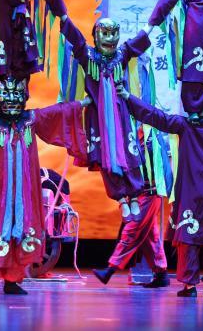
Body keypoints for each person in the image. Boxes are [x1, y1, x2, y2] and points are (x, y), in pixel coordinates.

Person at [0, 74, 88, 295]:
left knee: (20, 229)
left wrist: (83, 103)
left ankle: (12, 280)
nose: (12, 99)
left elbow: (57, 113)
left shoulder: (30, 120)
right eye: (6, 93)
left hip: (22, 191)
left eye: (17, 94)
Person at [117, 84, 203, 298]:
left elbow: (154, 116)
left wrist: (128, 97)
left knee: (188, 241)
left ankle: (190, 287)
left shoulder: (183, 126)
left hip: (191, 195)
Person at [60, 17, 152, 221]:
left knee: (129, 152)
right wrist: (64, 18)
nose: (110, 38)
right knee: (105, 156)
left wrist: (152, 25)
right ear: (96, 35)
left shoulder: (122, 54)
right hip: (98, 115)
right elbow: (77, 41)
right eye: (105, 33)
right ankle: (121, 199)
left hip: (120, 113)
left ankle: (134, 195)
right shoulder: (89, 56)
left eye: (113, 33)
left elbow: (138, 41)